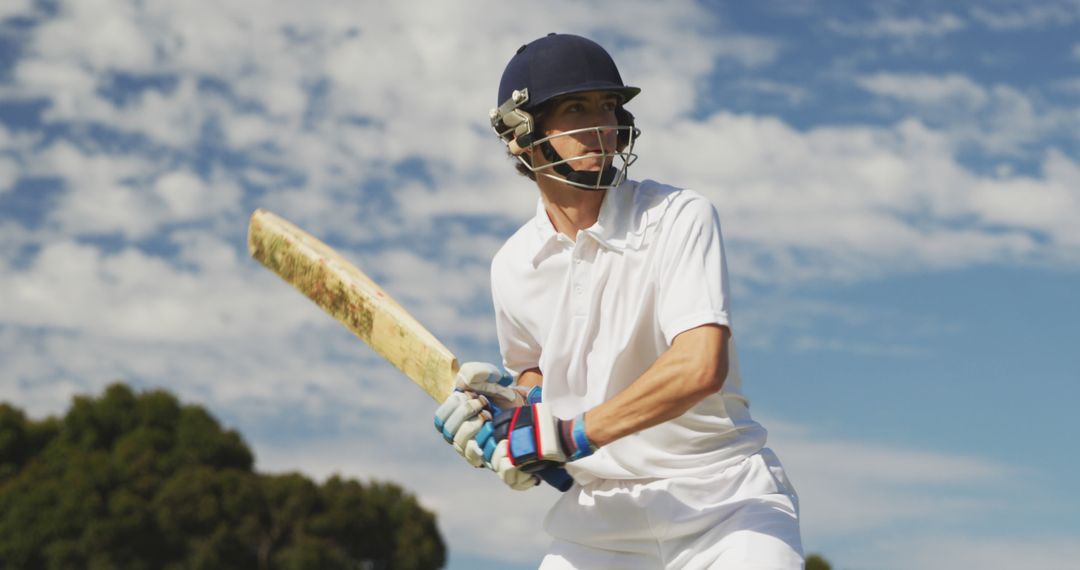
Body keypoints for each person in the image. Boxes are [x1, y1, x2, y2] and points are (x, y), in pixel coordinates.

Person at [433, 33, 804, 569]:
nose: (601, 128)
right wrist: (508, 419)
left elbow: (700, 366)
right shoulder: (511, 266)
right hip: (597, 528)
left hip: (724, 506)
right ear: (520, 136)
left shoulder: (678, 215)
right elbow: (538, 378)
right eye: (576, 109)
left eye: (608, 108)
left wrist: (565, 434)